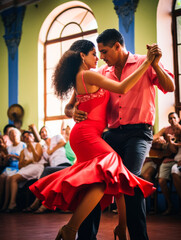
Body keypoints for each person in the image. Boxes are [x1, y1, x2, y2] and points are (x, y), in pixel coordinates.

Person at [29, 38, 156, 240]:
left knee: (111, 177)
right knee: (110, 169)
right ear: (82, 55)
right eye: (94, 54)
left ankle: (119, 227)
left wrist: (71, 111)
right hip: (86, 134)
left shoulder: (86, 76)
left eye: (100, 53)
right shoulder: (88, 75)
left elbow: (69, 106)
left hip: (87, 134)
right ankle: (72, 229)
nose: (98, 57)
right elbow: (122, 88)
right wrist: (147, 62)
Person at [64, 29, 175, 240]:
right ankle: (86, 237)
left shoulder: (146, 61)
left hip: (139, 134)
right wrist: (72, 112)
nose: (102, 57)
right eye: (99, 53)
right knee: (93, 181)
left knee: (130, 181)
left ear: (117, 46)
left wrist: (155, 64)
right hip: (111, 134)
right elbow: (70, 104)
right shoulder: (102, 73)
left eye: (104, 51)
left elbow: (169, 86)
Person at [24, 126, 72, 214]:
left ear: (49, 132)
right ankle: (42, 205)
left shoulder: (57, 137)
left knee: (46, 171)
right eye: (41, 132)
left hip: (64, 165)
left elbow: (63, 142)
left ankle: (36, 203)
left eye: (45, 131)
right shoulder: (44, 147)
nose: (44, 133)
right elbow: (45, 160)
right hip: (54, 169)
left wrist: (51, 151)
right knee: (48, 176)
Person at [6, 130, 44, 212]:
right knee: (9, 178)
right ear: (23, 139)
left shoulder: (38, 145)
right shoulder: (23, 151)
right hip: (27, 168)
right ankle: (7, 203)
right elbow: (20, 166)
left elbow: (37, 159)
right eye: (25, 137)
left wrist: (31, 145)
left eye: (29, 136)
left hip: (37, 167)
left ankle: (12, 203)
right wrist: (29, 161)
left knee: (14, 178)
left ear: (33, 137)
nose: (27, 138)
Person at [0, 127, 26, 211]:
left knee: (8, 179)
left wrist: (14, 156)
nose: (13, 136)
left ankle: (7, 203)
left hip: (18, 166)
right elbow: (6, 163)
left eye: (15, 134)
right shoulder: (9, 147)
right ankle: (1, 202)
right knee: (1, 177)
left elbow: (25, 159)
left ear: (18, 135)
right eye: (11, 135)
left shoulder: (23, 145)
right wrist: (6, 159)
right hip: (9, 167)